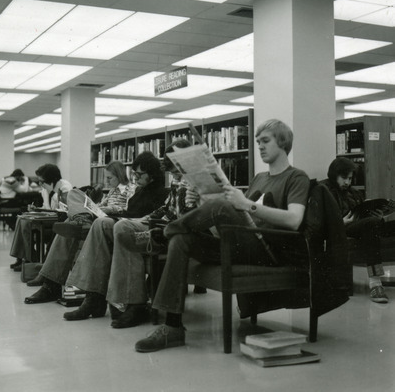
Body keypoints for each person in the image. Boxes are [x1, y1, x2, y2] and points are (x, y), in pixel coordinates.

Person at [135, 119, 310, 353]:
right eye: (257, 142)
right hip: (241, 240)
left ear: (283, 142)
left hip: (268, 248)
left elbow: (294, 219)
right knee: (182, 239)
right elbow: (235, 217)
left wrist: (246, 204)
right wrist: (202, 201)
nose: (260, 146)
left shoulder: (296, 177)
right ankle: (173, 327)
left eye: (265, 141)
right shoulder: (259, 178)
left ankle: (164, 233)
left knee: (220, 206)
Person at [64, 139, 195, 325]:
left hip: (166, 232)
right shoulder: (176, 181)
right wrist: (143, 219)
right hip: (154, 223)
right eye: (172, 170)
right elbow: (166, 209)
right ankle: (94, 297)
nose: (175, 174)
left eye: (177, 169)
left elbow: (185, 218)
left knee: (122, 228)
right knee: (101, 224)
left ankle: (133, 304)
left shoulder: (196, 183)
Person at [24, 152, 168, 305]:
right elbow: (127, 209)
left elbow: (147, 218)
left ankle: (66, 286)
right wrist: (105, 209)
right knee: (70, 216)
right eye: (134, 174)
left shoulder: (160, 193)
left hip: (123, 226)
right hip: (115, 219)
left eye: (139, 174)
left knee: (82, 224)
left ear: (151, 174)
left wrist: (114, 212)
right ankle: (50, 282)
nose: (136, 178)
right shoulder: (139, 191)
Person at [22, 160, 135, 288]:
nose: (107, 182)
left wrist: (112, 209)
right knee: (74, 195)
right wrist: (95, 207)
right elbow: (102, 205)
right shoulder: (111, 191)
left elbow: (131, 210)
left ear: (119, 175)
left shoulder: (130, 189)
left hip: (112, 220)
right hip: (99, 216)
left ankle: (47, 276)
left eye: (110, 178)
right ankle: (80, 219)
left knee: (69, 222)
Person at [322, 157, 389, 303]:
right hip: (340, 229)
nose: (347, 182)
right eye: (344, 178)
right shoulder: (324, 190)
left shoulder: (354, 193)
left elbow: (361, 214)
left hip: (361, 227)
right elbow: (319, 220)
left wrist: (379, 216)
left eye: (350, 178)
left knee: (377, 224)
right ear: (334, 175)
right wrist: (340, 222)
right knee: (371, 225)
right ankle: (375, 284)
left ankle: (376, 283)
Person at [9, 164, 72, 271]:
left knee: (25, 223)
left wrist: (44, 210)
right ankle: (23, 258)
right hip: (49, 217)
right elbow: (46, 206)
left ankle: (29, 260)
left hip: (58, 220)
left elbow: (64, 211)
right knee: (22, 219)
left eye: (42, 181)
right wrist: (36, 208)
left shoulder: (64, 188)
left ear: (51, 179)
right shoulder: (45, 189)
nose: (40, 184)